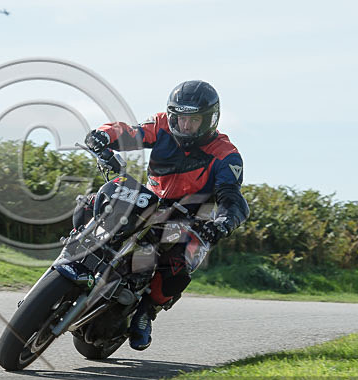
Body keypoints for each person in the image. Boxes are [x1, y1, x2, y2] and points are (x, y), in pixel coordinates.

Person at [81, 80, 249, 351]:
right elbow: (129, 133)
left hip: (188, 217)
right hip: (152, 200)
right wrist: (103, 135)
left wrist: (222, 224)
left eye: (193, 120)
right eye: (180, 118)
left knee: (181, 262)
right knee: (92, 202)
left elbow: (232, 198)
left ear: (210, 120)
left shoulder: (226, 155)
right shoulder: (160, 126)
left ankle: (146, 313)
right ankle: (75, 251)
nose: (185, 126)